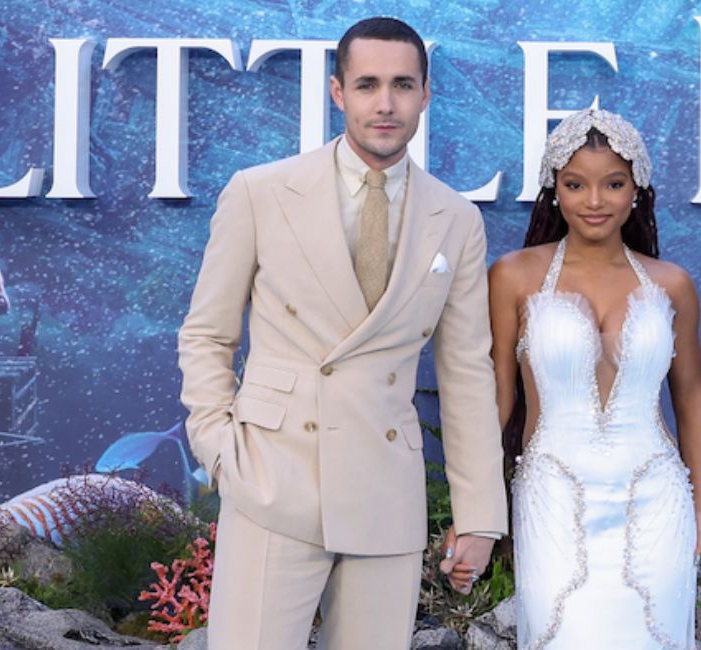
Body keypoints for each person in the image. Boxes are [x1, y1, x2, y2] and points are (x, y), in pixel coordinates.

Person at [176, 17, 507, 649]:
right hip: (274, 475)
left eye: (403, 85)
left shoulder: (457, 220)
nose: (385, 103)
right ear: (337, 92)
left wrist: (480, 515)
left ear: (426, 94)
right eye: (368, 84)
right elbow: (206, 335)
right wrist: (220, 448)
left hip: (386, 489)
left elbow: (466, 371)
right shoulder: (260, 192)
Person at [451, 109, 701, 648]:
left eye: (613, 184)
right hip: (552, 497)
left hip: (657, 499)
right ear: (554, 190)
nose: (595, 201)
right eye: (576, 185)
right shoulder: (512, 276)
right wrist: (474, 510)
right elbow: (497, 401)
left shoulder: (673, 285)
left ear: (637, 189)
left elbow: (690, 397)